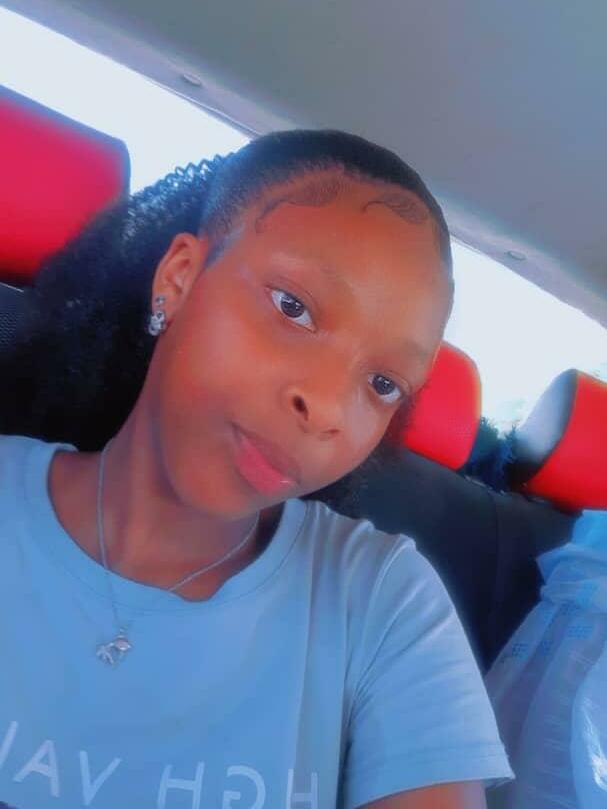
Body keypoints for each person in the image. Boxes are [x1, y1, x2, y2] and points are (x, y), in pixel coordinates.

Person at [0, 129, 513, 808]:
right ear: (180, 277)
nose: (327, 407)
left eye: (382, 383)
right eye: (292, 307)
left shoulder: (381, 601)